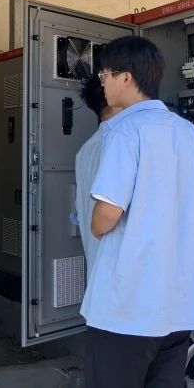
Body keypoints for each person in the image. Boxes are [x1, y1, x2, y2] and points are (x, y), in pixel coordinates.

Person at [82, 36, 194, 387]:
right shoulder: (189, 133)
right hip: (179, 303)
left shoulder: (125, 130)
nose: (102, 83)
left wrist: (94, 225)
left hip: (127, 306)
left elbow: (107, 213)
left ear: (126, 78)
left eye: (105, 75)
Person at [73, 74, 121, 278]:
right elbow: (109, 212)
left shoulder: (85, 151)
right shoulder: (122, 143)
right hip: (122, 274)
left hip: (97, 269)